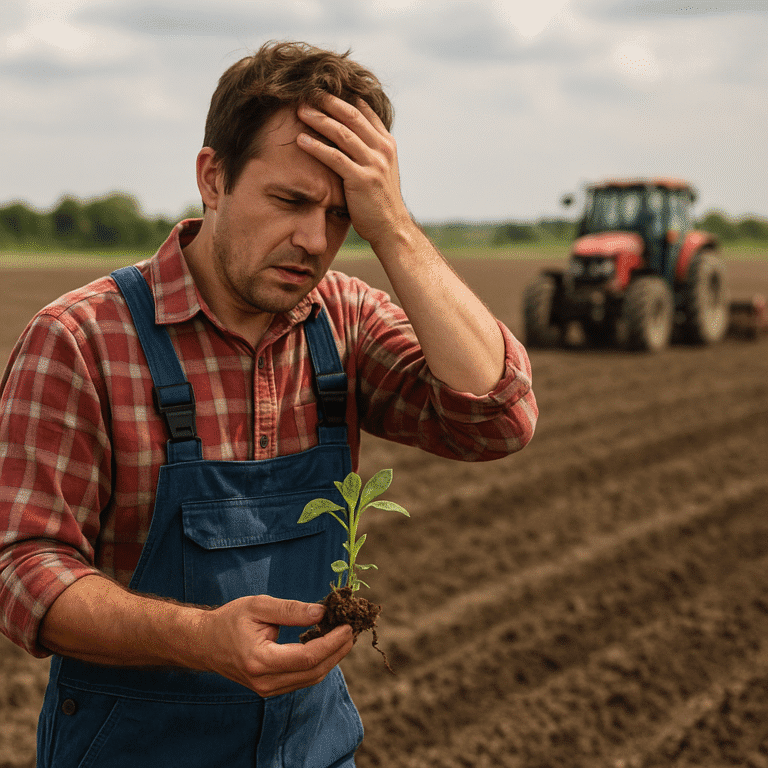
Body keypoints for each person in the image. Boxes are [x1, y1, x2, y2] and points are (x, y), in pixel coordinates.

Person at [0, 41, 537, 767]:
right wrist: (197, 640)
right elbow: (24, 567)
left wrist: (396, 230)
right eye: (289, 201)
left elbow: (495, 418)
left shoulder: (344, 320)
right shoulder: (83, 339)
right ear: (213, 177)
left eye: (342, 214)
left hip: (312, 749)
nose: (315, 241)